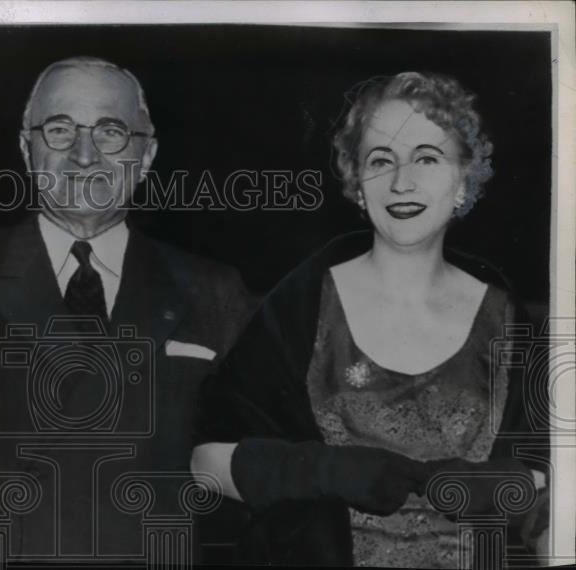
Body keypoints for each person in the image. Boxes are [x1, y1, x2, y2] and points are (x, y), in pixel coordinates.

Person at [0, 57, 253, 563]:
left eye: (110, 132)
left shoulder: (212, 289)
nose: (84, 155)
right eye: (60, 130)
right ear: (27, 148)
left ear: (145, 153)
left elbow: (250, 459)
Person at [191, 71, 550, 567]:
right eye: (381, 161)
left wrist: (511, 484)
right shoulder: (300, 310)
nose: (402, 182)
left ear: (463, 178)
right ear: (357, 181)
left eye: (427, 157)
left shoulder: (507, 322)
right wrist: (324, 470)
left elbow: (551, 485)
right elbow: (205, 466)